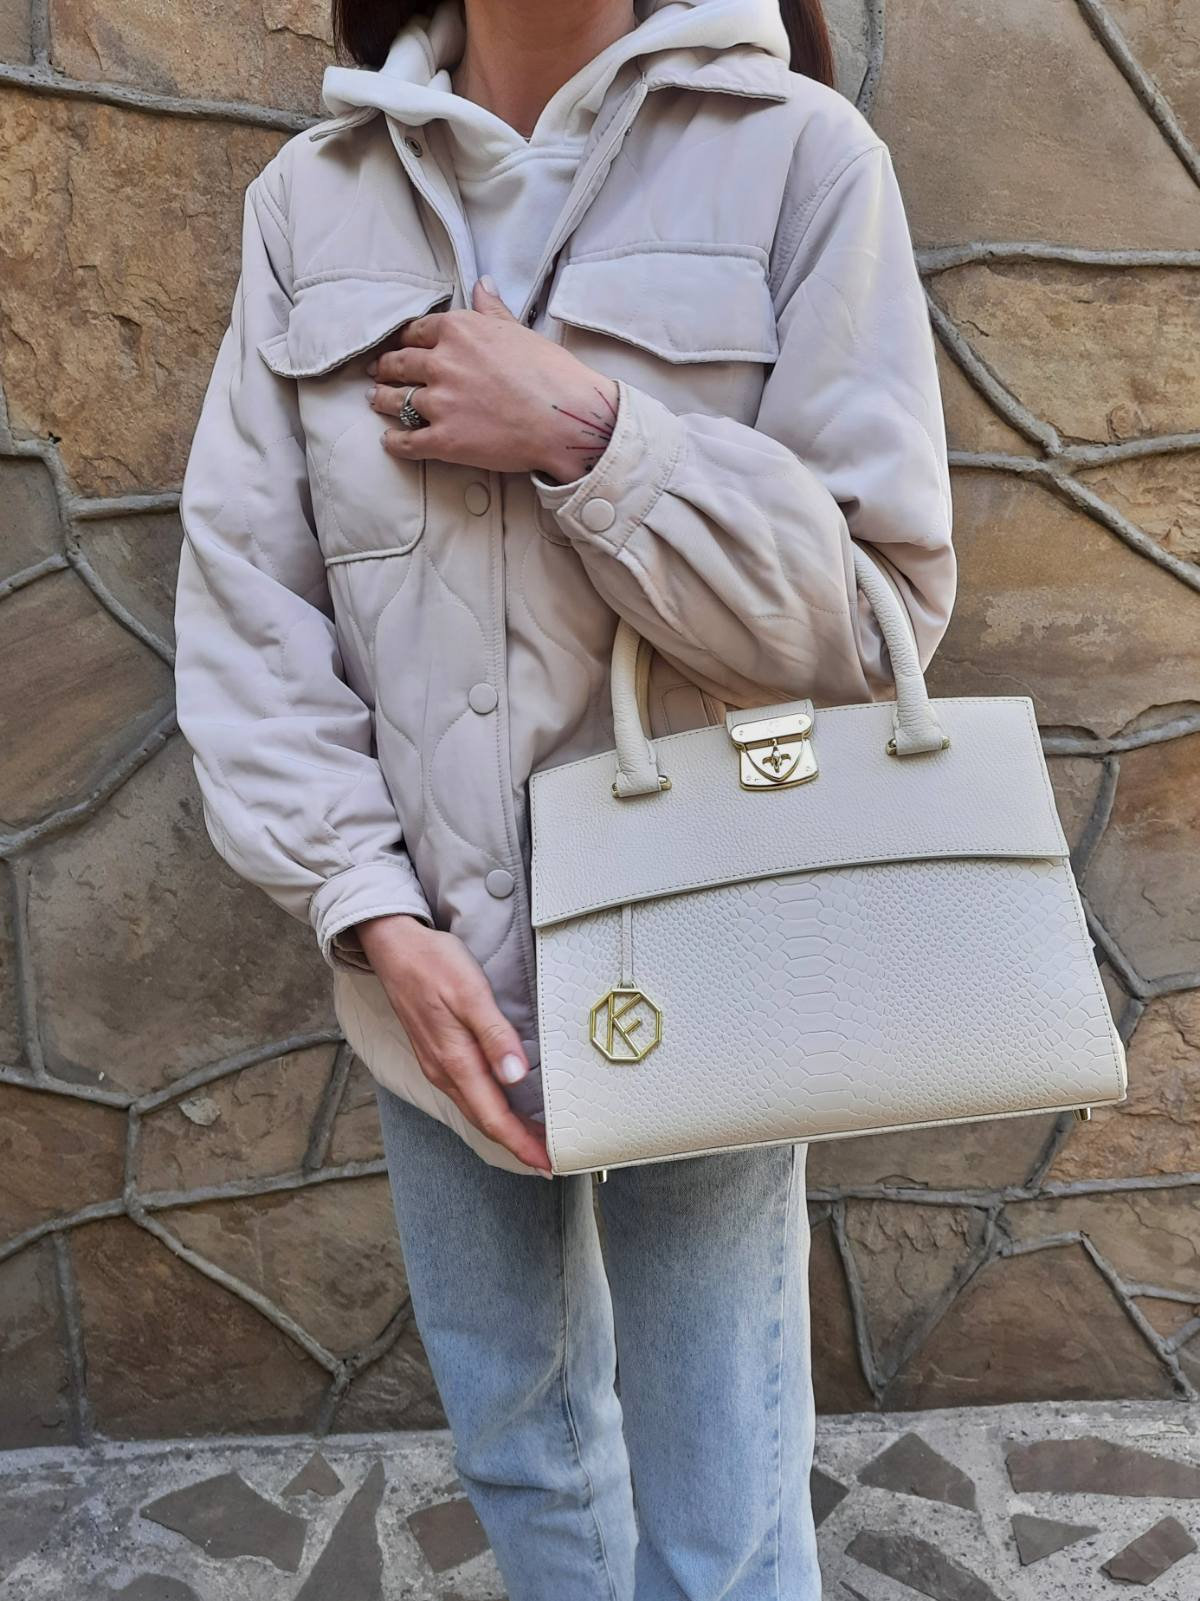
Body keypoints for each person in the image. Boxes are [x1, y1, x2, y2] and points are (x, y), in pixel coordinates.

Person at [173, 0, 956, 1593]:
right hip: (430, 965)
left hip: (712, 942)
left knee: (721, 1494)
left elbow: (875, 618)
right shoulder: (312, 201)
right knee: (519, 1447)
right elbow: (249, 606)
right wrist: (370, 911)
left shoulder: (801, 159)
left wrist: (592, 435)